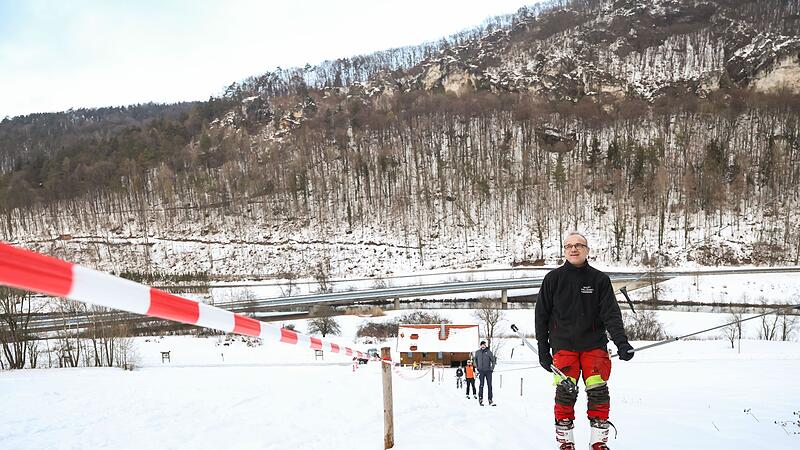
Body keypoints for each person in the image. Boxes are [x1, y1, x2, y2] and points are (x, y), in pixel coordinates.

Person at [535, 232, 634, 450]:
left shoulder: (599, 280)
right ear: (564, 250)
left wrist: (622, 343)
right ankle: (566, 442)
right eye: (569, 245)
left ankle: (598, 442)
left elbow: (611, 314)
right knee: (565, 393)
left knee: (598, 391)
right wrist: (543, 350)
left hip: (594, 347)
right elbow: (541, 316)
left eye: (579, 245)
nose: (574, 249)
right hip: (563, 348)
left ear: (587, 250)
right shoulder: (553, 279)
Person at [473, 340, 496, 406]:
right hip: (481, 371)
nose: (483, 346)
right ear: (480, 346)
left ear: (485, 345)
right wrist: (477, 368)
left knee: (489, 386)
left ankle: (490, 400)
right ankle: (480, 399)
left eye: (484, 345)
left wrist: (492, 368)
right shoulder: (477, 352)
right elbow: (475, 361)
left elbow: (493, 361)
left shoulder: (489, 352)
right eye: (482, 345)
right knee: (481, 385)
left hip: (488, 371)